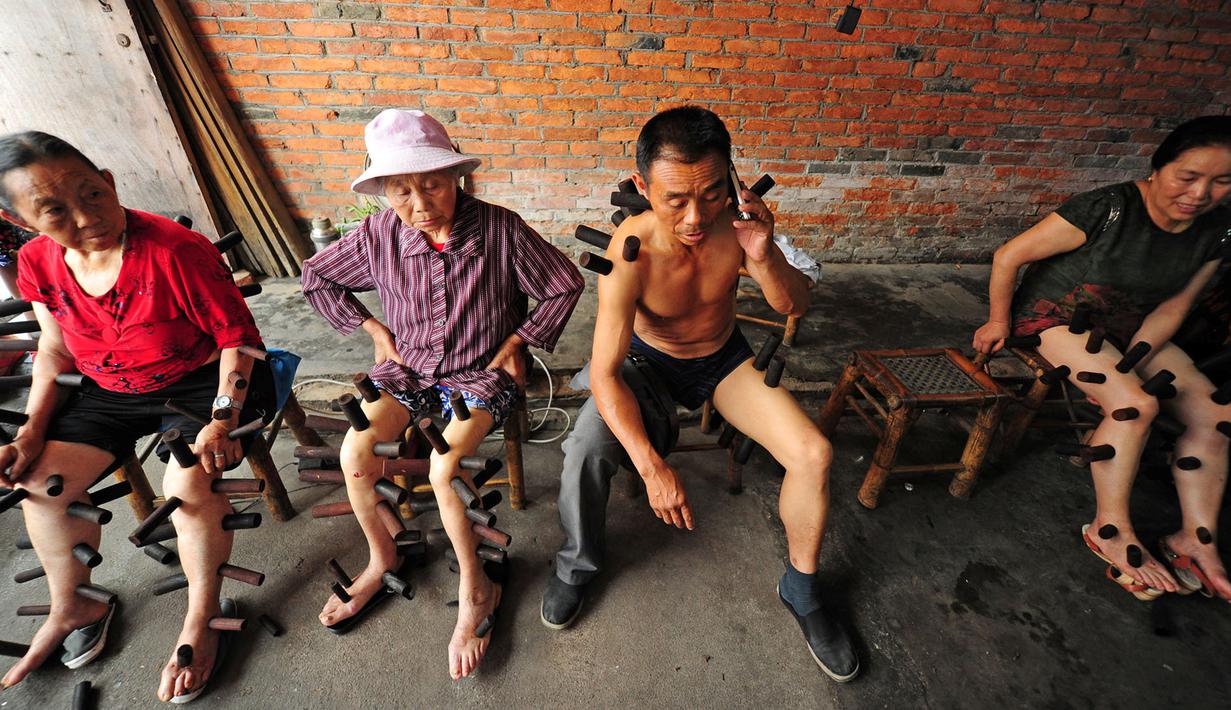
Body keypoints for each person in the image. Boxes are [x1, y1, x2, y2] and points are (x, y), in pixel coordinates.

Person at [540, 106, 859, 682]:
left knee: (814, 454)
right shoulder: (628, 250)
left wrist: (763, 253)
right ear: (642, 186)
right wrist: (652, 465)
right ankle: (576, 566)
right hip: (646, 364)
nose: (695, 217)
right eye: (674, 200)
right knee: (585, 448)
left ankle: (802, 589)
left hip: (723, 360)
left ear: (731, 179)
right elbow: (604, 370)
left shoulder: (739, 226)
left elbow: (793, 306)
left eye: (712, 194)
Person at [300, 109, 584, 679]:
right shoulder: (379, 233)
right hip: (408, 368)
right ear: (381, 190)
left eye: (432, 183)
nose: (420, 202)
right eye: (401, 189)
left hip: (479, 372)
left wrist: (520, 340)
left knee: (444, 467)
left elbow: (565, 284)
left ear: (457, 177)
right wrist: (375, 331)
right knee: (356, 454)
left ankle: (478, 589)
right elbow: (316, 276)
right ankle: (384, 558)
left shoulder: (501, 230)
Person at [0, 131, 275, 702]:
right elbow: (54, 350)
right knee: (40, 484)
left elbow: (241, 341)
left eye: (93, 194)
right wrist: (31, 430)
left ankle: (200, 619)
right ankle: (76, 603)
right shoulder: (37, 261)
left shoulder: (174, 251)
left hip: (204, 383)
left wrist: (223, 418)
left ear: (110, 180)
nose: (87, 217)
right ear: (19, 219)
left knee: (187, 482)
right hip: (106, 390)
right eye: (55, 210)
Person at [973, 116, 1231, 601]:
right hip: (1055, 318)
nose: (1201, 194)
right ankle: (1109, 531)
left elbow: (1175, 306)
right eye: (1188, 177)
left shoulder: (1219, 230)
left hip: (1131, 325)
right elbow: (1010, 255)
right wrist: (998, 321)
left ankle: (1196, 540)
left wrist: (1131, 362)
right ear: (1158, 168)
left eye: (1223, 181)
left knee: (1218, 416)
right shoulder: (1107, 209)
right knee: (1134, 406)